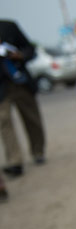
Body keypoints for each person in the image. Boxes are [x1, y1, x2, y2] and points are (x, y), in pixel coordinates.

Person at [0, 20, 46, 178]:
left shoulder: (8, 27)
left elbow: (29, 49)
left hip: (20, 82)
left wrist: (19, 55)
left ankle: (38, 151)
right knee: (4, 121)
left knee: (32, 118)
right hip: (1, 87)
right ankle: (15, 161)